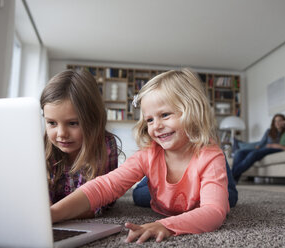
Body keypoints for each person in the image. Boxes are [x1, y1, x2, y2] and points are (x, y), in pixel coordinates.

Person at [50, 68, 237, 243]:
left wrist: (165, 225)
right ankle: (153, 181)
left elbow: (213, 212)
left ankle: (224, 172)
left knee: (228, 198)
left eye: (164, 115)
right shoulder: (149, 153)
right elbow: (105, 186)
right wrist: (53, 213)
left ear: (193, 112)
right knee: (140, 196)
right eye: (149, 119)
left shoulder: (210, 157)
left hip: (202, 168)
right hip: (162, 190)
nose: (155, 126)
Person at [40, 69, 120, 218]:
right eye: (51, 123)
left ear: (93, 120)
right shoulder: (42, 144)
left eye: (73, 123)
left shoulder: (105, 145)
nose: (61, 133)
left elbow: (94, 207)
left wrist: (49, 215)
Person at [232, 110, 285, 182]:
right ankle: (233, 180)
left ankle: (230, 177)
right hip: (269, 147)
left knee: (253, 154)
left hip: (277, 149)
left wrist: (275, 145)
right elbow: (263, 143)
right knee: (240, 153)